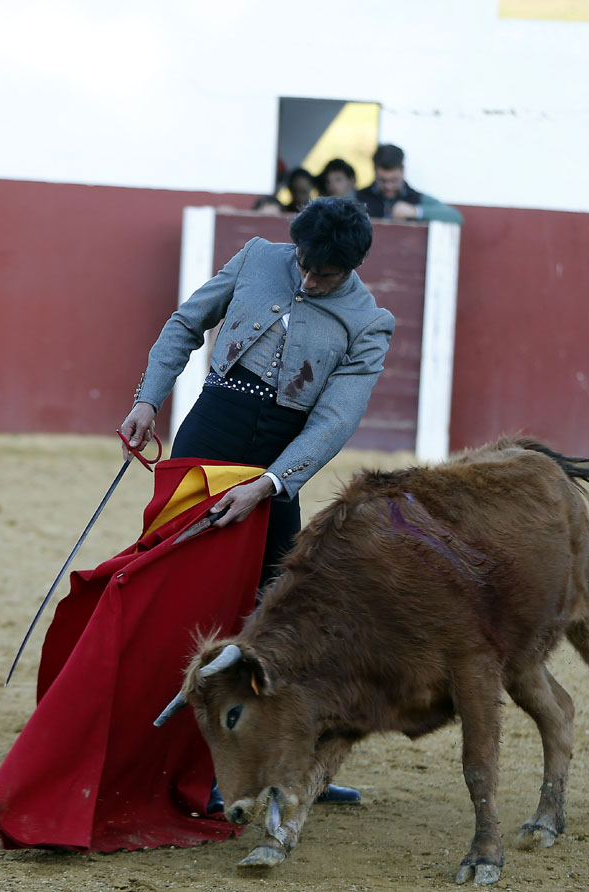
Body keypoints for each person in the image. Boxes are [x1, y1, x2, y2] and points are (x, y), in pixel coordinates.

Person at [121, 198, 395, 804]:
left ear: (352, 267)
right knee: (175, 594)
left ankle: (283, 767)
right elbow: (184, 325)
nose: (307, 279)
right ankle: (157, 756)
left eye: (323, 274)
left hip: (277, 464)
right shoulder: (256, 257)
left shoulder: (368, 320)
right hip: (205, 443)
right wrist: (148, 398)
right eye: (304, 263)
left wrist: (268, 485)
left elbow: (333, 419)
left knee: (280, 614)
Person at [356, 144, 464, 224]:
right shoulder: (357, 198)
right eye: (382, 180)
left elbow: (456, 217)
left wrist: (415, 211)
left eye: (394, 180)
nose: (388, 186)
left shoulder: (416, 199)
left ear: (403, 171)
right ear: (374, 171)